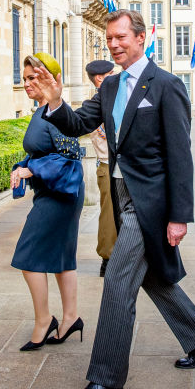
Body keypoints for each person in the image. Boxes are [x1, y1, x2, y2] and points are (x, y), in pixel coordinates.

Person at [31, 9, 195, 389]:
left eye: (120, 37)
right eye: (109, 39)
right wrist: (55, 100)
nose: (114, 45)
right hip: (121, 195)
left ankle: (106, 377)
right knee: (149, 276)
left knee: (117, 282)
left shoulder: (167, 85)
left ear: (140, 38)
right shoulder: (112, 85)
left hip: (151, 202)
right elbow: (78, 123)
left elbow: (180, 155)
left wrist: (179, 216)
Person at [11, 53, 86, 351]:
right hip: (52, 192)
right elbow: (43, 151)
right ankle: (71, 318)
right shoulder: (41, 111)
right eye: (25, 78)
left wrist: (31, 169)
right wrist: (23, 166)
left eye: (33, 77)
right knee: (61, 259)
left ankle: (44, 320)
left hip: (60, 195)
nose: (27, 83)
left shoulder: (54, 113)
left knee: (28, 256)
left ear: (52, 80)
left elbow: (70, 157)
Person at [85, 59, 116, 278]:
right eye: (111, 74)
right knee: (109, 216)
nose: (116, 77)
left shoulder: (112, 99)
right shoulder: (96, 104)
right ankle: (108, 258)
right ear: (100, 78)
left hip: (119, 165)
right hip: (107, 164)